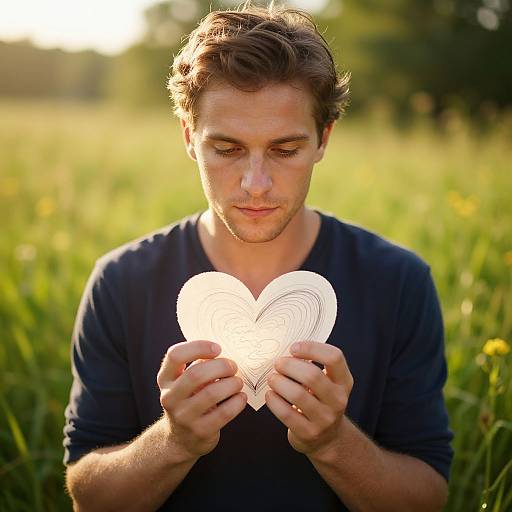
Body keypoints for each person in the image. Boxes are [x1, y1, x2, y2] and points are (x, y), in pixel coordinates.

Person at [63, 4, 453, 511]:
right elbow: (87, 496)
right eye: (226, 149)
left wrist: (334, 444)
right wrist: (173, 443)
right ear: (188, 137)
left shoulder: (399, 282)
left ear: (323, 139)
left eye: (285, 150)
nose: (255, 184)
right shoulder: (121, 282)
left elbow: (429, 497)